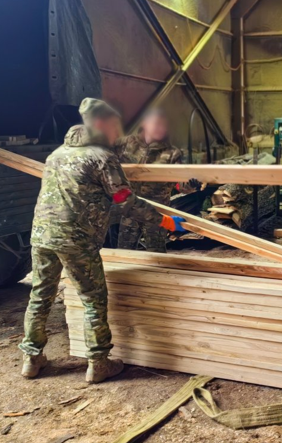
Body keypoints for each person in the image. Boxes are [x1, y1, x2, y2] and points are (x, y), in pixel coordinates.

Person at [19, 98, 187, 382]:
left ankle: (31, 358)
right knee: (93, 299)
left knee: (39, 296)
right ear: (100, 124)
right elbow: (125, 200)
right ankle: (98, 363)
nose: (116, 132)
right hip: (77, 239)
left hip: (42, 236)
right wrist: (165, 220)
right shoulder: (101, 157)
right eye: (112, 126)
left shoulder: (56, 154)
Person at [115, 108, 186, 253]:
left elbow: (181, 184)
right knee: (124, 253)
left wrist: (191, 184)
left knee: (157, 254)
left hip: (157, 212)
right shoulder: (125, 144)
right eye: (157, 123)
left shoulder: (172, 153)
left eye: (164, 125)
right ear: (144, 123)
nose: (161, 128)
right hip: (130, 208)